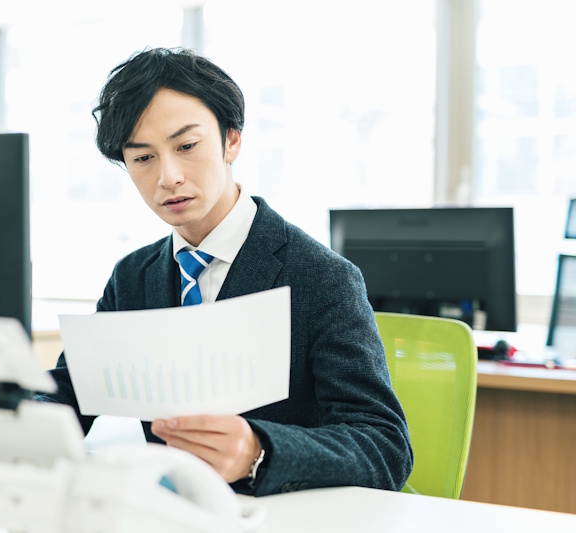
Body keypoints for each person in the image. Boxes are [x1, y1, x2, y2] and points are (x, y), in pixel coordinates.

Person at [39, 47, 412, 497]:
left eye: (186, 146)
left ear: (231, 140)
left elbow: (385, 446)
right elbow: (69, 390)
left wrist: (259, 452)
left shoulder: (322, 277)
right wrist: (17, 433)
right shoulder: (133, 277)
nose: (168, 176)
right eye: (143, 158)